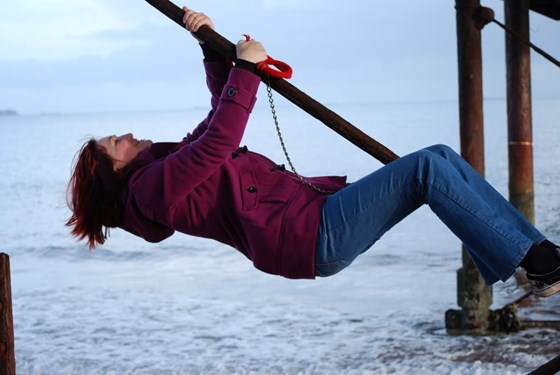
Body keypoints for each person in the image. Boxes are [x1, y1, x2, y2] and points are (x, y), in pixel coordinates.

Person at [66, 7, 560, 298]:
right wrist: (246, 70)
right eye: (117, 143)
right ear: (115, 171)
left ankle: (532, 260)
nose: (126, 136)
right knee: (429, 169)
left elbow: (217, 123)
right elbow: (218, 142)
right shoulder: (151, 190)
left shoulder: (161, 175)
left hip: (313, 219)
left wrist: (208, 46)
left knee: (441, 159)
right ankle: (532, 264)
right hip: (309, 236)